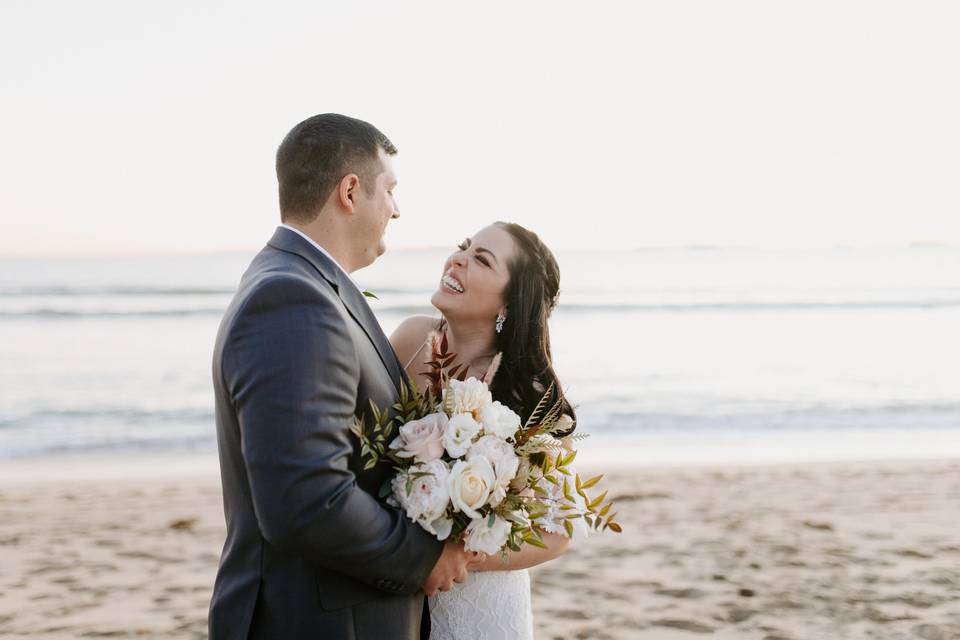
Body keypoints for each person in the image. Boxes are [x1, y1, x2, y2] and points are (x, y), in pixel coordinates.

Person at [208, 113, 478, 640]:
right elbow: (307, 498)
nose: (396, 210)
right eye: (390, 191)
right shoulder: (292, 299)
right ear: (350, 191)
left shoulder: (303, 283)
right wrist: (422, 558)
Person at [390, 222, 577, 640]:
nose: (458, 258)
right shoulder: (412, 341)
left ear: (508, 302)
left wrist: (460, 555)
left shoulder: (526, 392)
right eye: (464, 247)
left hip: (480, 605)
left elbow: (557, 533)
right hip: (393, 588)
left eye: (481, 259)